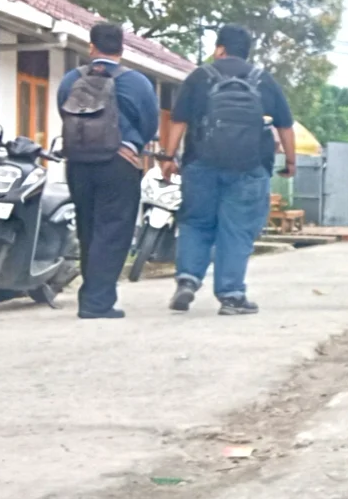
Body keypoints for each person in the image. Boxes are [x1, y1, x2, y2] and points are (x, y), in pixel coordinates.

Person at [159, 25, 296, 315]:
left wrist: (168, 157)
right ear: (247, 52)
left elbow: (178, 120)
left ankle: (187, 280)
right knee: (236, 230)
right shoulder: (263, 80)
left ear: (220, 48)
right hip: (249, 167)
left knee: (195, 222)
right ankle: (231, 296)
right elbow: (285, 125)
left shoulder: (200, 77)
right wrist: (291, 163)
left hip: (201, 165)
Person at [57, 22, 161, 319]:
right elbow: (150, 124)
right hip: (119, 163)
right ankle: (97, 302)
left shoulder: (70, 80)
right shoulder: (136, 82)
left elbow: (64, 113)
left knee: (87, 228)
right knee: (112, 231)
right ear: (121, 48)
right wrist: (132, 145)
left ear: (92, 47)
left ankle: (90, 294)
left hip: (78, 164)